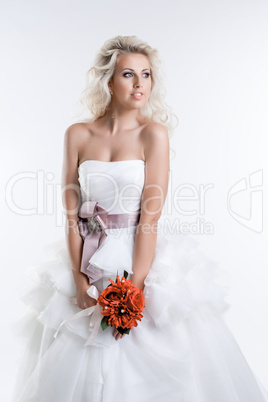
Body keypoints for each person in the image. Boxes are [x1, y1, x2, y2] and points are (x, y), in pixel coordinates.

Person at [11, 35, 268, 402]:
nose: (139, 84)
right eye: (129, 75)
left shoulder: (153, 134)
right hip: (88, 252)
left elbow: (151, 215)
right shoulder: (78, 134)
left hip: (138, 251)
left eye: (146, 75)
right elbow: (71, 213)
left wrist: (136, 285)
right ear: (109, 81)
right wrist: (78, 276)